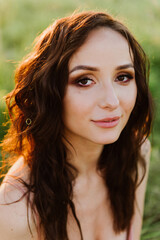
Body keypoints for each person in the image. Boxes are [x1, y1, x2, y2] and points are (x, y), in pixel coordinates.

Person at [0, 11, 153, 240]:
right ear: (48, 93)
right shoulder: (15, 212)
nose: (112, 101)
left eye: (122, 76)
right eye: (84, 80)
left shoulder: (136, 153)